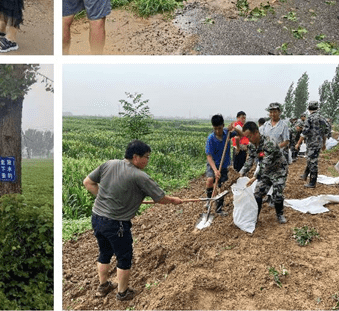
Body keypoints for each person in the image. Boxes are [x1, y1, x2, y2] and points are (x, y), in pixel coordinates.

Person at [83, 140, 183, 301]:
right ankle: (123, 293)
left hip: (97, 218)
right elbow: (161, 198)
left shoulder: (109, 164)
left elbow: (87, 182)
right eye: (146, 157)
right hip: (117, 224)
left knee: (105, 252)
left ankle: (103, 286)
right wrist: (174, 200)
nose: (147, 160)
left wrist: (105, 199)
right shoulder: (140, 176)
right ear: (135, 157)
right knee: (124, 257)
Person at [238, 121, 289, 224]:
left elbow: (265, 163)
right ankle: (254, 217)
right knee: (257, 193)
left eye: (250, 136)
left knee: (277, 193)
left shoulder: (269, 143)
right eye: (246, 137)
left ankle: (280, 214)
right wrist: (240, 173)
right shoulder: (252, 145)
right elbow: (250, 160)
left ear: (256, 132)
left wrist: (254, 177)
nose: (248, 139)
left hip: (278, 170)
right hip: (266, 171)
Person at [295, 101, 331, 188]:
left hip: (312, 143)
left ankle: (312, 182)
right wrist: (323, 144)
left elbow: (304, 132)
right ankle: (305, 175)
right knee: (310, 159)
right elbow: (325, 132)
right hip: (318, 143)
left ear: (308, 109)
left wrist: (298, 143)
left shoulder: (309, 118)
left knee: (313, 162)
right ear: (317, 108)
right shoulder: (322, 118)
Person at [205, 114, 234, 215]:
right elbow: (209, 156)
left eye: (220, 128)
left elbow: (241, 134)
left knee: (221, 187)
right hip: (213, 164)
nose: (218, 131)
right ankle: (209, 201)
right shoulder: (211, 139)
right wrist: (215, 170)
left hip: (224, 164)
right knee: (210, 180)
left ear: (223, 125)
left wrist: (233, 129)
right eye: (215, 129)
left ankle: (219, 209)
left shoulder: (227, 133)